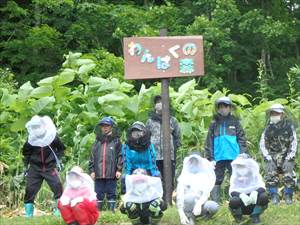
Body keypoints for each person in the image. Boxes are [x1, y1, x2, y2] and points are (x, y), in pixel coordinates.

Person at [205, 96, 247, 203]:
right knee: (216, 179)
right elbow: (209, 141)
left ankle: (236, 201)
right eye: (221, 107)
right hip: (218, 156)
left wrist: (242, 153)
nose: (223, 109)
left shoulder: (235, 122)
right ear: (218, 108)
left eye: (225, 106)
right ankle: (215, 202)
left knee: (235, 178)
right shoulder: (214, 123)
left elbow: (242, 138)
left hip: (234, 156)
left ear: (230, 108)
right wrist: (211, 157)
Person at [23, 115, 65, 217]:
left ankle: (58, 211)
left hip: (49, 166)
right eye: (34, 127)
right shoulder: (31, 139)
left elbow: (61, 149)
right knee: (30, 189)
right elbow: (26, 153)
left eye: (38, 126)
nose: (36, 129)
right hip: (35, 167)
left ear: (43, 125)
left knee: (57, 186)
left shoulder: (52, 136)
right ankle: (29, 214)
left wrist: (58, 160)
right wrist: (25, 166)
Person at [259, 103, 298, 205]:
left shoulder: (289, 127)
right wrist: (268, 158)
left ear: (282, 114)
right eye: (273, 113)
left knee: (289, 173)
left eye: (277, 113)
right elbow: (262, 144)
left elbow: (294, 143)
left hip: (286, 157)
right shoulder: (268, 128)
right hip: (271, 157)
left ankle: (288, 196)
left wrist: (290, 157)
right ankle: (274, 196)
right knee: (270, 173)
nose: (274, 115)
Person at [146, 95, 181, 197]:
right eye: (158, 102)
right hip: (154, 156)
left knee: (169, 179)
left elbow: (178, 137)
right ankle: (156, 199)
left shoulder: (172, 120)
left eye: (162, 101)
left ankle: (169, 199)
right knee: (154, 179)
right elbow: (146, 138)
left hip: (169, 156)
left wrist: (173, 149)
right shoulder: (150, 121)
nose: (160, 104)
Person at [88, 117, 122, 212]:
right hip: (98, 174)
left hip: (111, 174)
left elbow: (120, 156)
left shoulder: (116, 141)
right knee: (98, 193)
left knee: (111, 193)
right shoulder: (97, 141)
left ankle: (111, 212)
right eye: (103, 126)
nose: (104, 128)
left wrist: (119, 169)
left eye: (107, 125)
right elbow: (92, 157)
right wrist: (92, 171)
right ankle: (98, 213)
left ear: (111, 127)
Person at [176, 153, 219, 225]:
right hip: (187, 205)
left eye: (196, 161)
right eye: (192, 161)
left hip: (200, 206)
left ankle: (203, 218)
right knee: (189, 198)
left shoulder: (204, 176)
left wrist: (199, 204)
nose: (194, 163)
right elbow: (179, 195)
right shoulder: (184, 176)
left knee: (213, 206)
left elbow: (206, 194)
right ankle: (189, 217)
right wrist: (181, 214)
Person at [228, 154, 269, 224]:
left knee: (264, 196)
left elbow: (262, 187)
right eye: (239, 166)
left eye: (243, 165)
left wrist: (255, 192)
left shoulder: (255, 175)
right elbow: (232, 191)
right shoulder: (235, 177)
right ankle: (238, 217)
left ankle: (255, 215)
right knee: (234, 200)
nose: (241, 167)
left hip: (254, 203)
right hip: (242, 205)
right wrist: (241, 195)